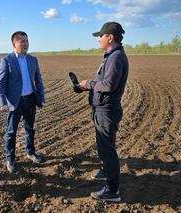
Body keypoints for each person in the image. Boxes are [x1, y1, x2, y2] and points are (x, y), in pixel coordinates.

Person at [78, 22, 129, 202]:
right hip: (104, 109)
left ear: (110, 37)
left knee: (107, 150)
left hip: (107, 111)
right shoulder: (111, 55)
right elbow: (105, 82)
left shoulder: (115, 57)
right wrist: (86, 87)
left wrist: (89, 84)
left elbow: (108, 85)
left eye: (100, 36)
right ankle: (107, 172)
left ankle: (112, 191)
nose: (98, 39)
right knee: (105, 147)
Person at [0, 31, 46, 173]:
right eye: (21, 41)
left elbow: (38, 80)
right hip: (14, 102)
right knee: (11, 132)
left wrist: (41, 98)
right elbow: (0, 83)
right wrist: (2, 102)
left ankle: (30, 152)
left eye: (26, 41)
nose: (25, 44)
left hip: (30, 99)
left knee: (30, 128)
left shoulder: (32, 60)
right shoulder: (7, 60)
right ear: (14, 44)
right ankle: (10, 159)